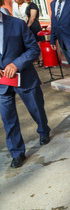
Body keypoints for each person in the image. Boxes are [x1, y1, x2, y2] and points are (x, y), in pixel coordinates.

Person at [0, 11, 51, 168]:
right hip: (2, 83)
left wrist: (16, 64)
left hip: (24, 78)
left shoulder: (17, 24)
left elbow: (33, 49)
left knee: (36, 109)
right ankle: (17, 153)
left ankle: (43, 131)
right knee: (8, 119)